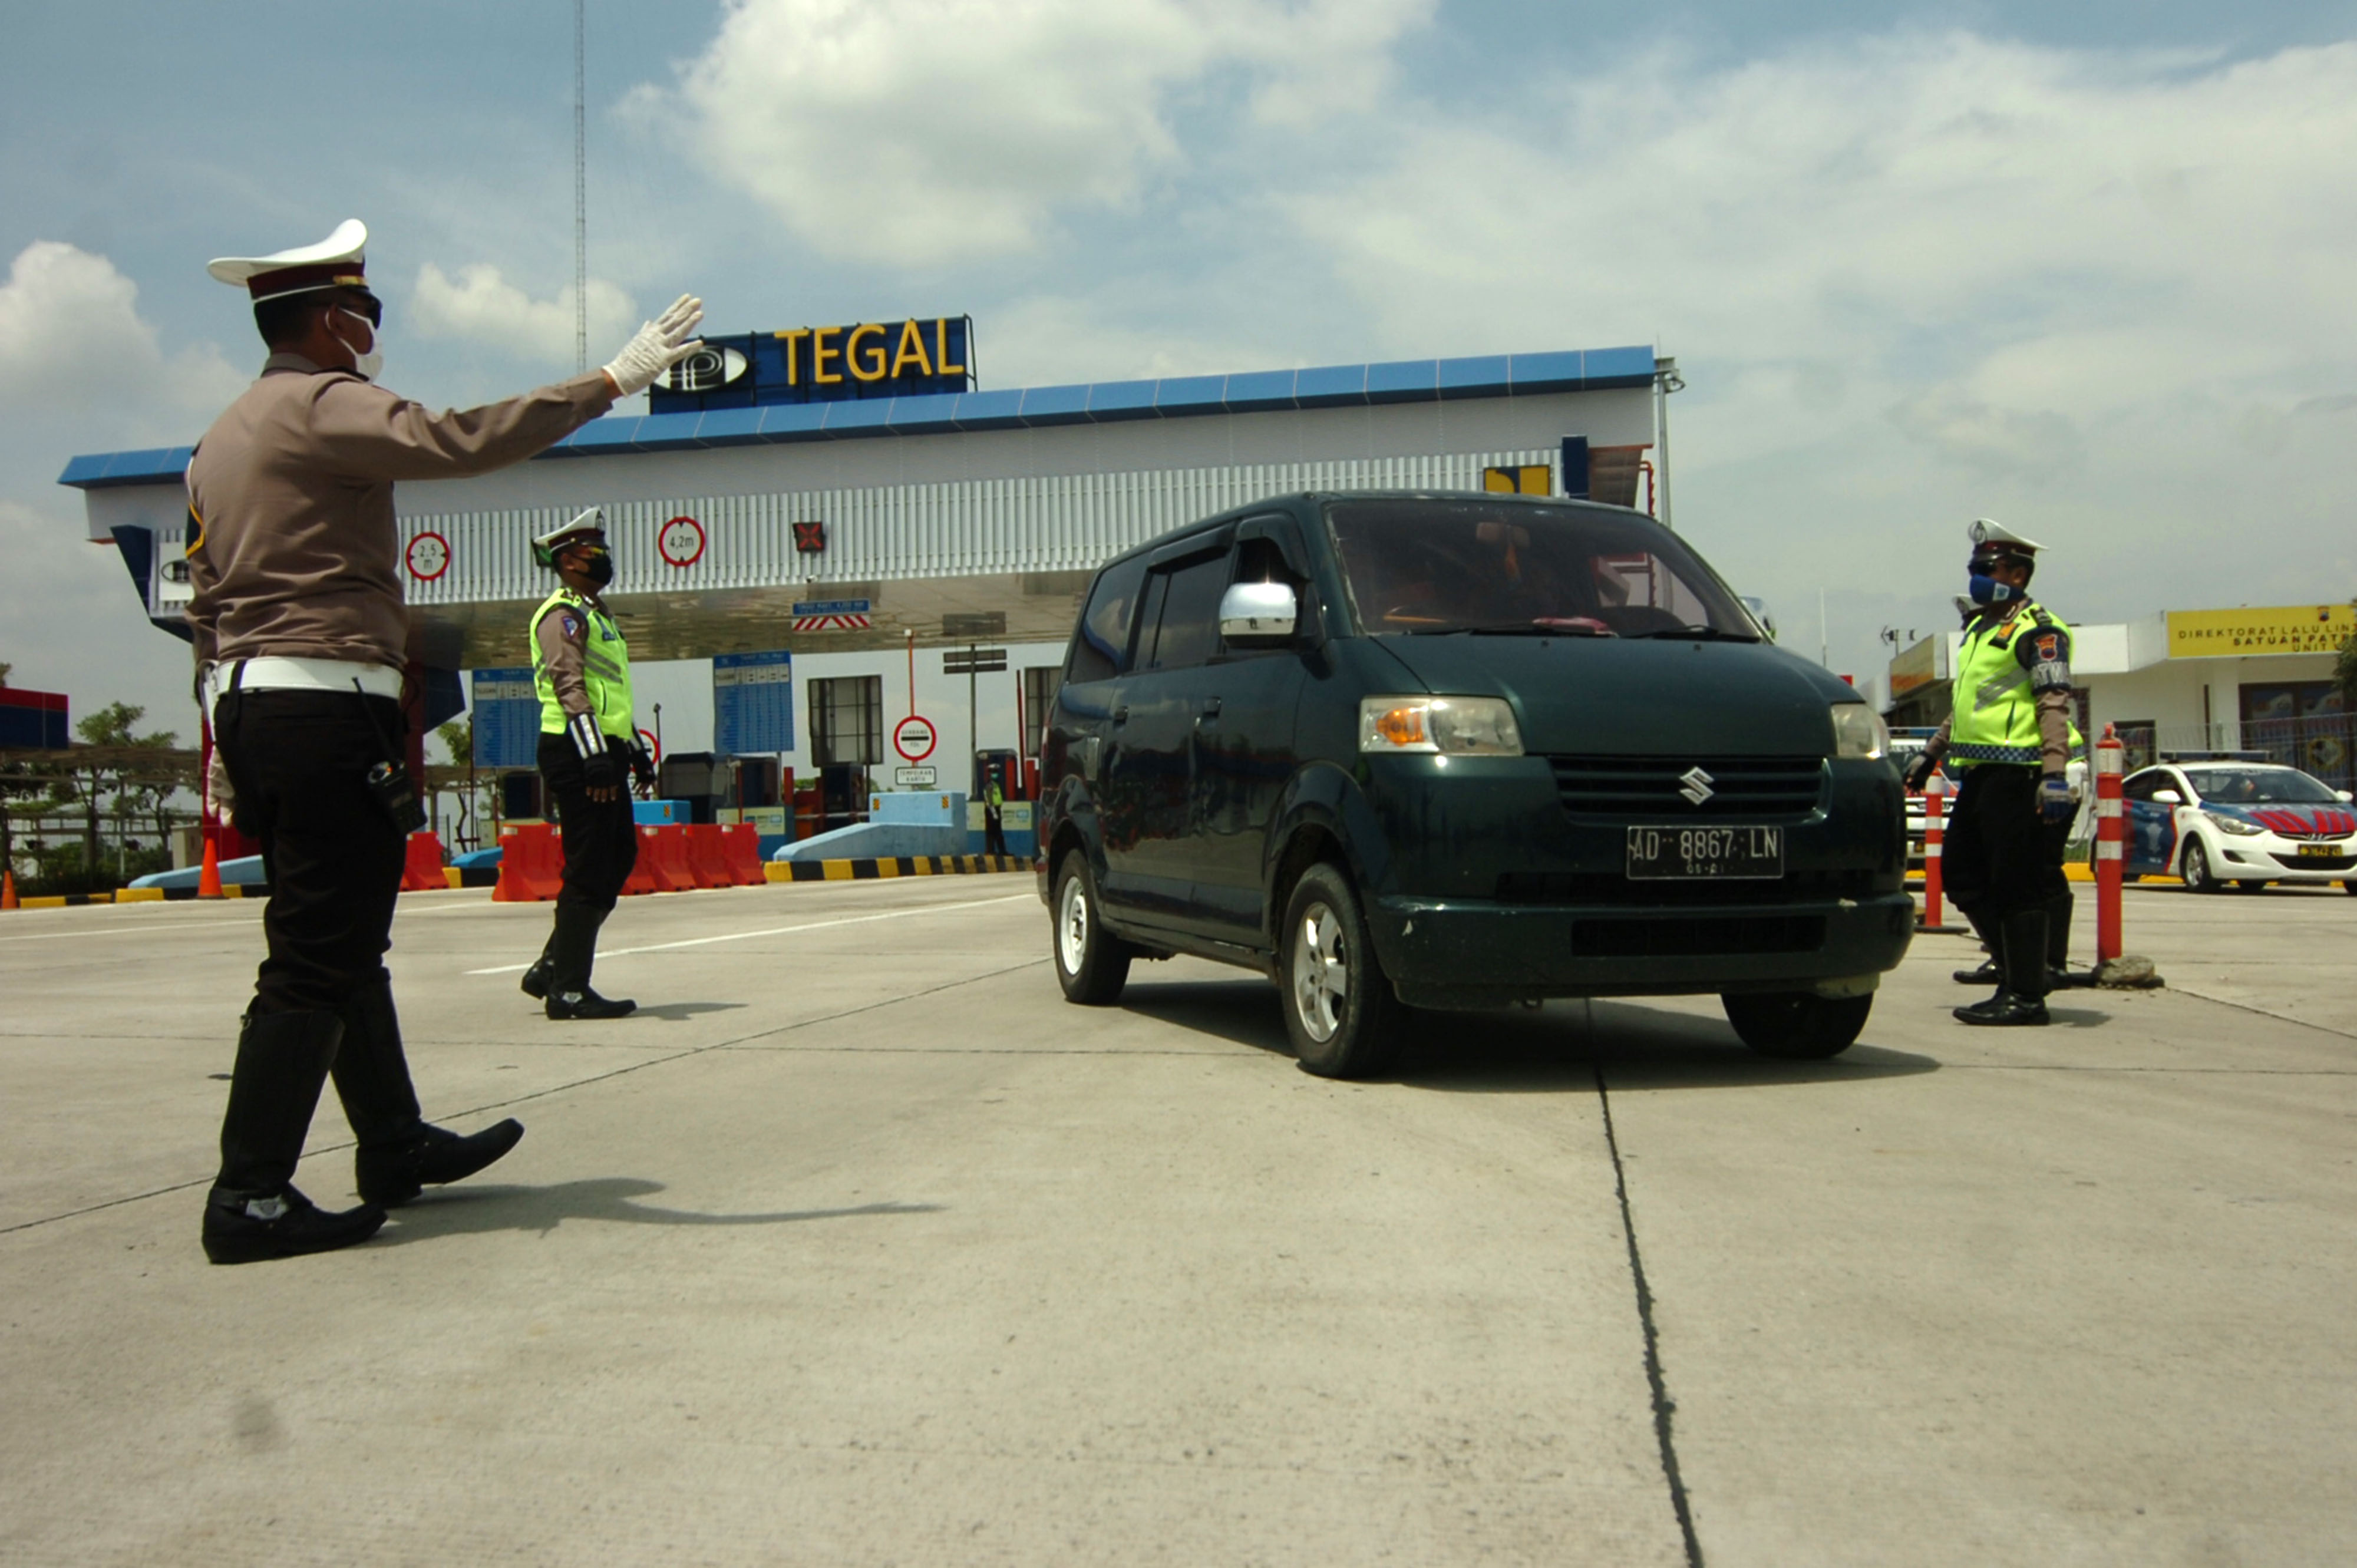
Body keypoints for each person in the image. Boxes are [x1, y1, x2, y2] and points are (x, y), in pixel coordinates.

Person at [186, 218, 703, 1263]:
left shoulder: (221, 437)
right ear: (330, 320)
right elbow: (459, 439)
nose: (374, 332)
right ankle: (250, 1194)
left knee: (341, 941)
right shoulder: (322, 405)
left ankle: (391, 1144)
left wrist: (217, 726)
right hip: (326, 708)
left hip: (259, 706)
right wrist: (611, 379)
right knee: (314, 957)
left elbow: (205, 602)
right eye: (366, 313)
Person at [1903, 520, 2079, 1026]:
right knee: (1960, 874)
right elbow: (1967, 705)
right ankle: (2013, 969)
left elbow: (2053, 703)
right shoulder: (1982, 628)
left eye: (1988, 568)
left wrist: (2054, 773)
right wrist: (1932, 753)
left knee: (2016, 883)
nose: (1978, 576)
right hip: (1980, 774)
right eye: (1974, 568)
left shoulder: (2040, 631)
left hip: (2021, 774)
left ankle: (2027, 994)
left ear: (2018, 575)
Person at [518, 509, 653, 1019]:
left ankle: (553, 966)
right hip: (576, 748)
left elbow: (610, 692)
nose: (604, 561)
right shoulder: (562, 615)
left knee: (617, 856)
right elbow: (568, 686)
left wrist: (632, 747)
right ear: (568, 561)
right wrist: (596, 755)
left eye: (604, 551)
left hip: (602, 746)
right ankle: (569, 989)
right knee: (590, 865)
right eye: (594, 553)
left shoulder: (598, 614)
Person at [982, 767, 1009, 857]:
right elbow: (989, 801)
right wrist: (994, 813)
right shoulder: (989, 786)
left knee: (998, 832)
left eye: (996, 772)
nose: (995, 774)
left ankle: (1002, 851)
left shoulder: (996, 785)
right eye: (994, 772)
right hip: (991, 810)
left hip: (997, 809)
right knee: (991, 832)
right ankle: (990, 851)